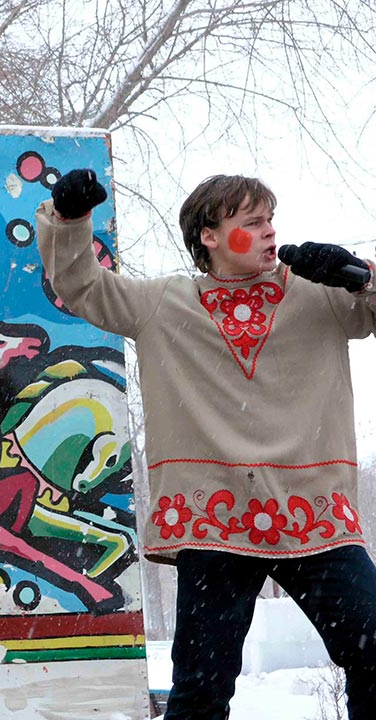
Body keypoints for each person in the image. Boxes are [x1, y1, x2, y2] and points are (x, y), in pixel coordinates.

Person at [35, 169, 376, 719]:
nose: (269, 232)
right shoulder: (164, 302)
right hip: (215, 520)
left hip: (317, 519)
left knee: (374, 648)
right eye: (253, 222)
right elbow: (83, 288)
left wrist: (360, 277)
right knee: (202, 686)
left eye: (271, 221)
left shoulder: (322, 295)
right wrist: (71, 221)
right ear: (209, 237)